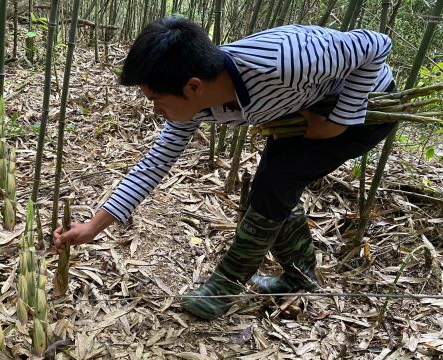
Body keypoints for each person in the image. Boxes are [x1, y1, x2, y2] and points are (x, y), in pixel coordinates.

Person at [53, 16, 396, 320]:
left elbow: (376, 44)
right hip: (299, 111)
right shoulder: (196, 103)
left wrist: (338, 122)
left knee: (274, 185)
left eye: (156, 100)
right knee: (269, 192)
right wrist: (93, 228)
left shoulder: (285, 60)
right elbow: (154, 164)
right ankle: (298, 277)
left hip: (364, 110)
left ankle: (225, 286)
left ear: (194, 86)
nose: (156, 110)